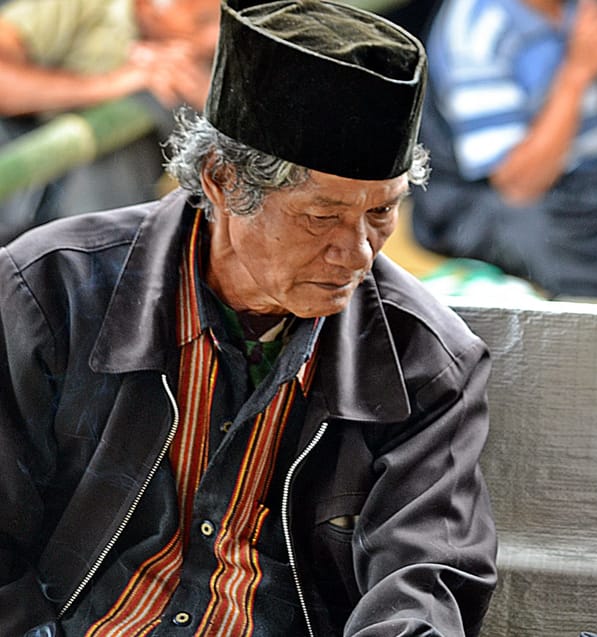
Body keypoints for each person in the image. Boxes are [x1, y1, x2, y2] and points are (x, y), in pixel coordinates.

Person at [0, 1, 497, 635]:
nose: (359, 255)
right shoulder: (49, 292)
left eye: (381, 214)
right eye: (322, 217)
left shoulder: (423, 361)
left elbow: (426, 576)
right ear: (221, 180)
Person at [412, 0, 597, 299]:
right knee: (526, 232)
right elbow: (519, 184)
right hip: (507, 196)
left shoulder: (583, 5)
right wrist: (578, 71)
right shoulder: (478, 26)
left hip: (594, 184)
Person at [0, 0, 218, 228]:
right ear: (154, 6)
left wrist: (206, 94)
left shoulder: (210, 44)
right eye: (201, 21)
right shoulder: (78, 6)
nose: (213, 38)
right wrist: (111, 84)